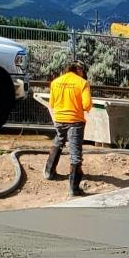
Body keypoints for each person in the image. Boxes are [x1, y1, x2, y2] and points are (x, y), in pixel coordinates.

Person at [45, 59, 93, 197]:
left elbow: (52, 103)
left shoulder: (55, 82)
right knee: (75, 154)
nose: (83, 74)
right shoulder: (82, 83)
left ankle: (49, 172)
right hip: (75, 121)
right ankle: (74, 189)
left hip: (59, 119)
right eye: (82, 71)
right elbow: (87, 105)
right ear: (78, 70)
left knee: (59, 140)